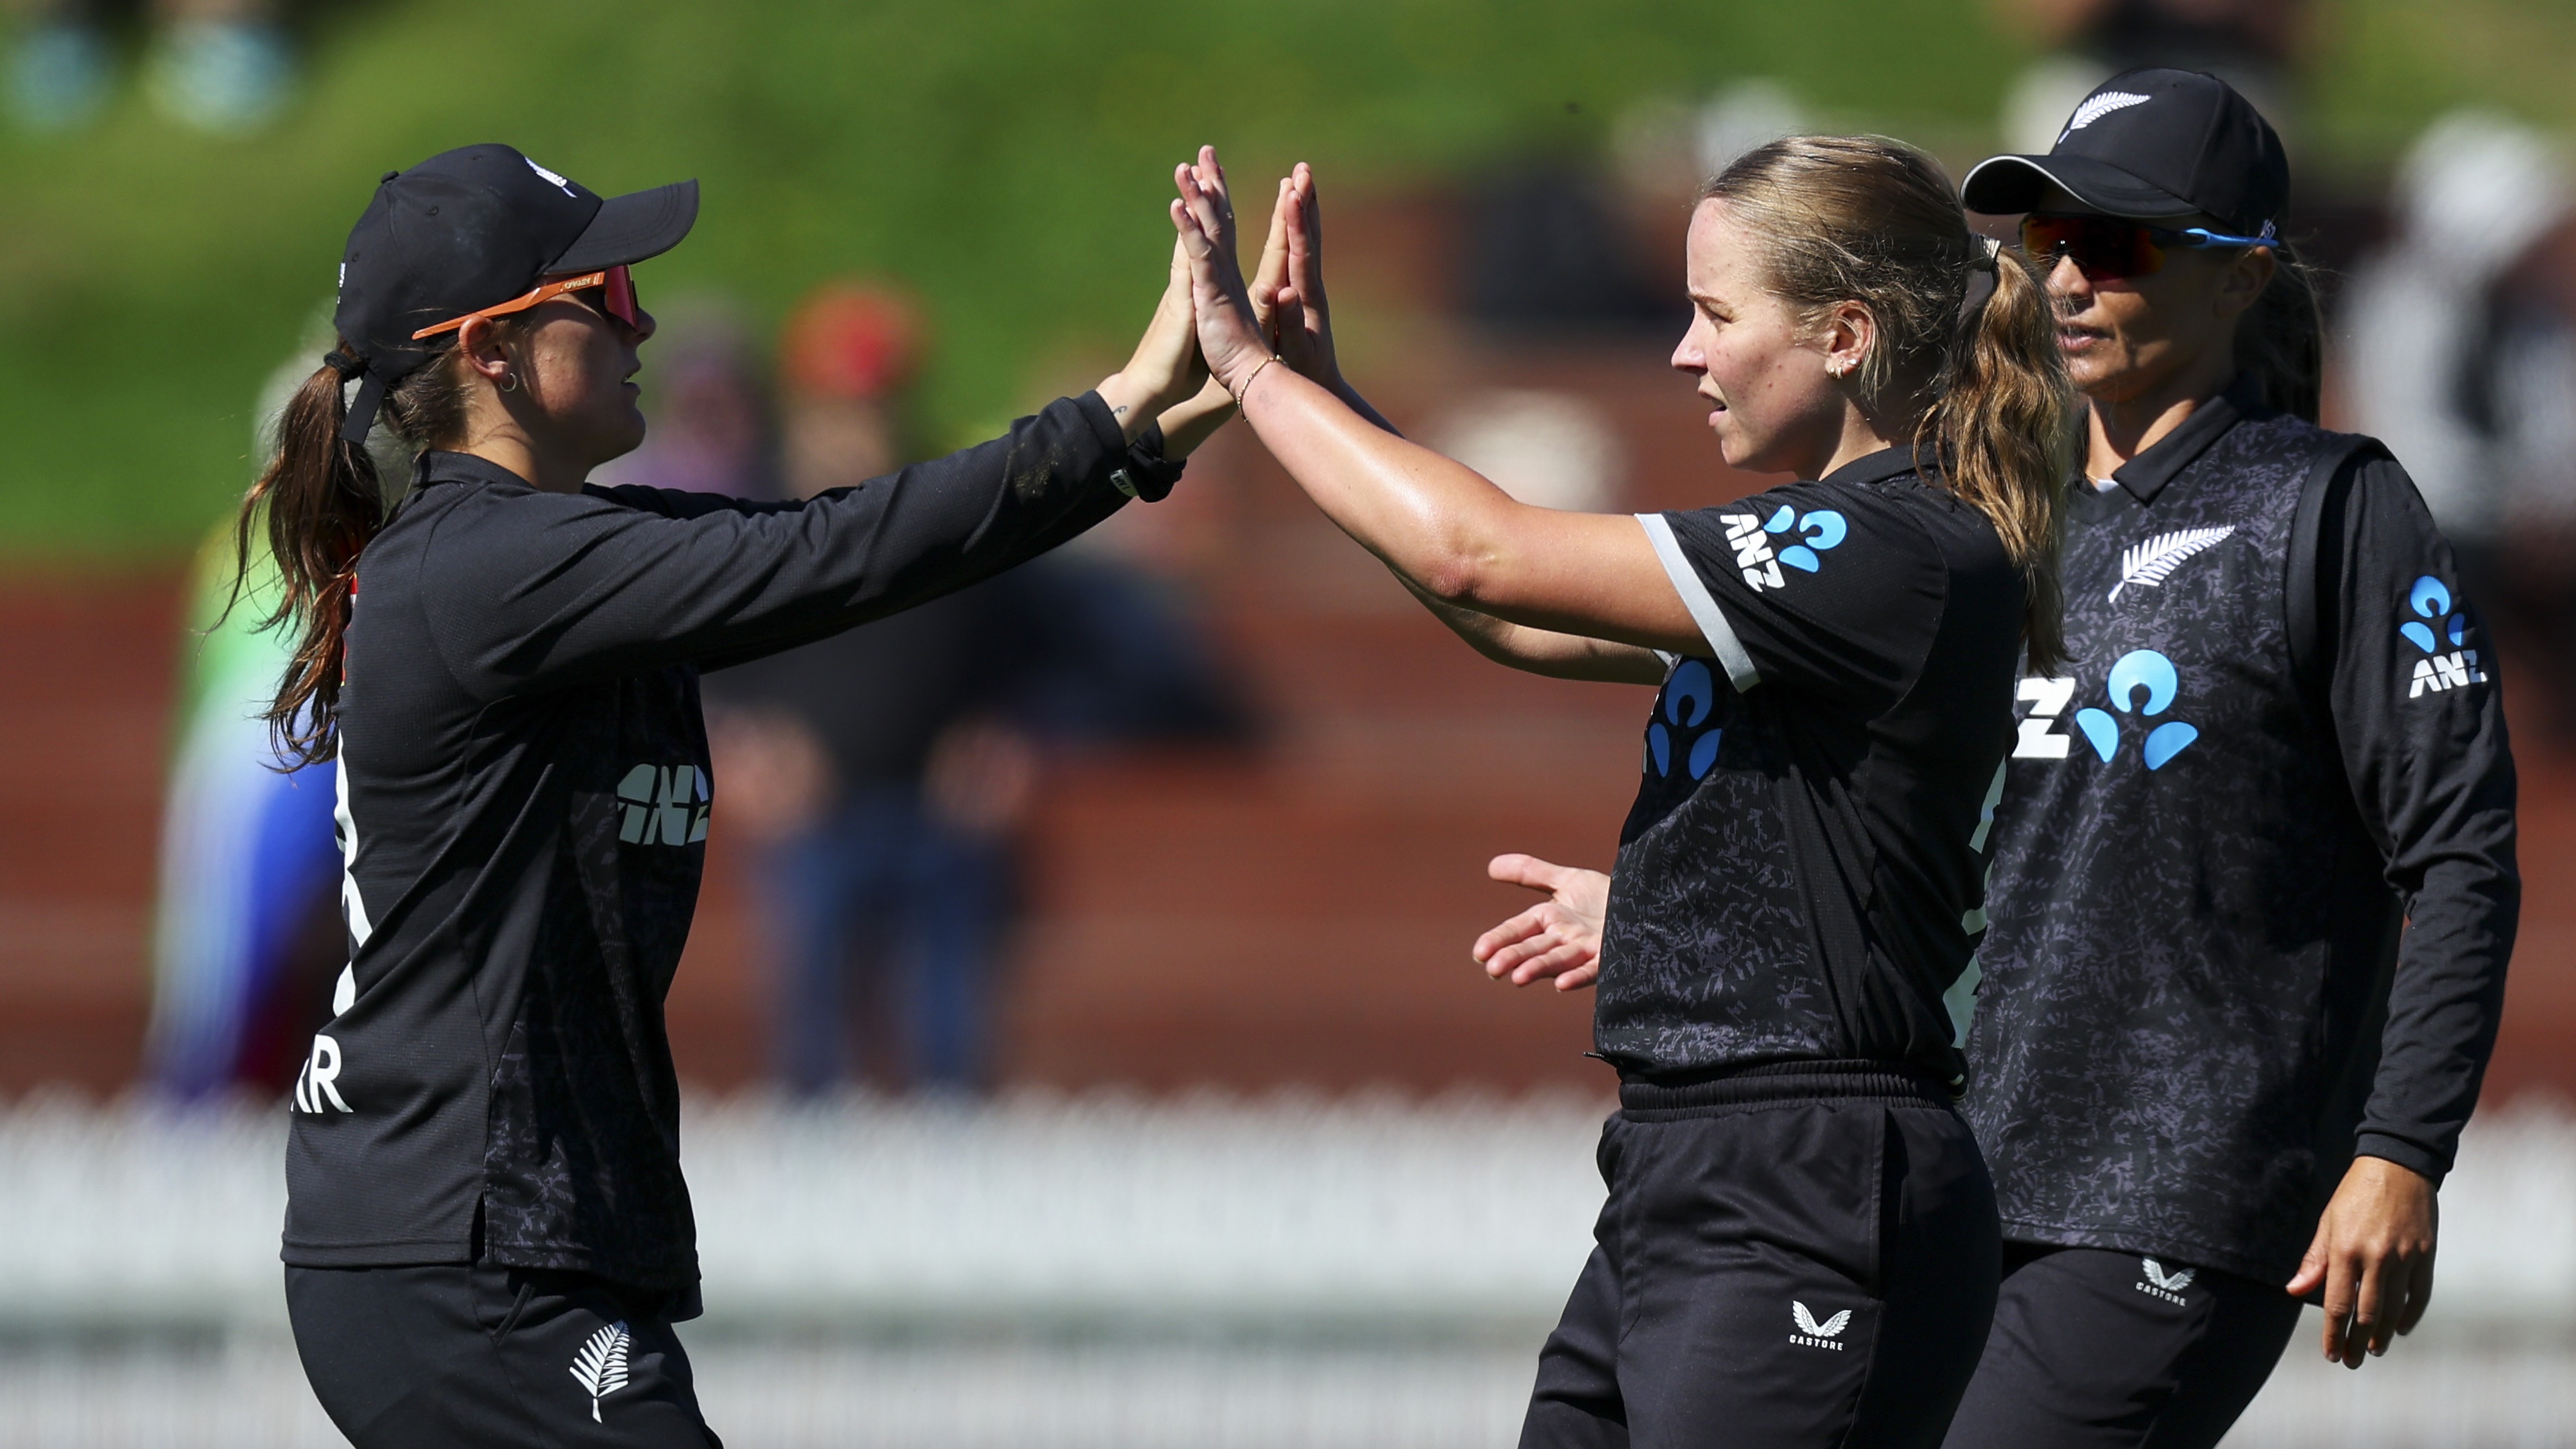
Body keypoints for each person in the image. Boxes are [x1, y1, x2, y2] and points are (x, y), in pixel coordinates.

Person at [1474, 71, 2522, 1449]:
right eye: (2051, 238)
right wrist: (1672, 907)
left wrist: (2400, 1153)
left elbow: (2458, 855)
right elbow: (1927, 834)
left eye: (2120, 243)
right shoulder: (1982, 518)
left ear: (2244, 274)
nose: (2070, 277)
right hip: (1949, 1185)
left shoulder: (2330, 509)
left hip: (2166, 1204)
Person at [241, 143, 1229, 1448]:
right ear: (490, 351)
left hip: (499, 1248)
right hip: (466, 1259)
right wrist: (1123, 405)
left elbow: (856, 537)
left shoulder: (541, 555)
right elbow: (836, 553)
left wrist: (1190, 405)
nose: (642, 324)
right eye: (605, 298)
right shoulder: (495, 568)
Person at [1170, 136, 2075, 1447]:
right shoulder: (1847, 552)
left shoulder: (1890, 547)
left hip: (1811, 1187)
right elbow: (1518, 620)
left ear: (1844, 335)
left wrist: (1250, 373)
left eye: (1716, 315)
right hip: (1692, 1167)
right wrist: (1326, 397)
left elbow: (1481, 560)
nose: (1684, 354)